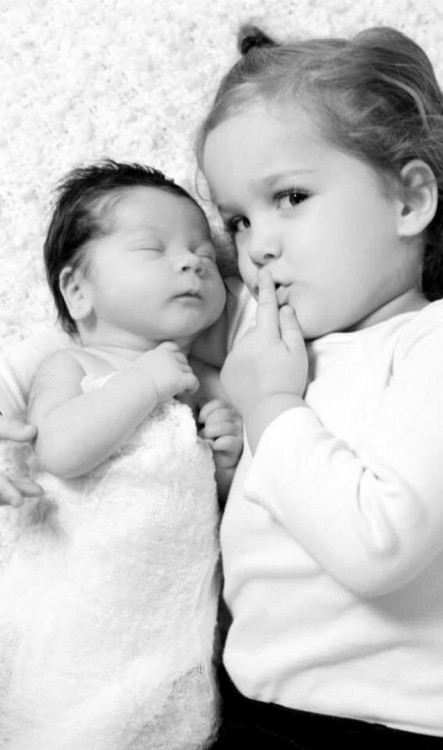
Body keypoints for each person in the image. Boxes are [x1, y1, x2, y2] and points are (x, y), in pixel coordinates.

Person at [196, 24, 443, 749]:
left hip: (386, 730)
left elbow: (377, 545)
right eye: (238, 219)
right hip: (250, 709)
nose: (257, 244)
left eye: (291, 196)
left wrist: (270, 407)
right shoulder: (281, 352)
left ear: (409, 201)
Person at [0, 160, 242, 750]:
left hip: (167, 634)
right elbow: (60, 450)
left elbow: (233, 511)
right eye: (153, 249)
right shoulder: (73, 366)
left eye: (204, 254)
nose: (191, 262)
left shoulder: (209, 382)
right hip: (78, 617)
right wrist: (144, 383)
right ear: (78, 291)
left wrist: (229, 457)